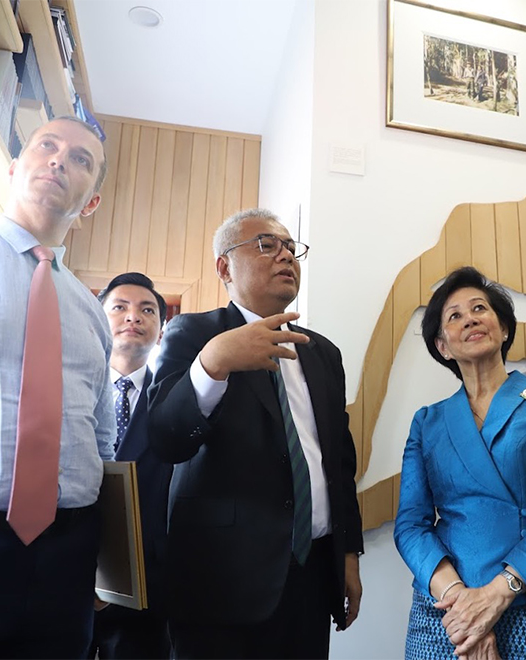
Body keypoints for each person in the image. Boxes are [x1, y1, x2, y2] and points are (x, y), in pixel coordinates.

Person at [0, 117, 114, 658]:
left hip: (68, 560)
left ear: (91, 202)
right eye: (47, 146)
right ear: (14, 167)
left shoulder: (91, 312)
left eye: (81, 159)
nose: (60, 160)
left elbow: (99, 442)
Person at [147, 208, 363, 659]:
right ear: (224, 266)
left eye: (291, 248)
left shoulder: (322, 353)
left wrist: (347, 555)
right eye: (266, 244)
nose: (285, 255)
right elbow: (166, 439)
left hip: (311, 575)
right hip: (221, 585)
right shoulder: (194, 334)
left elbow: (338, 462)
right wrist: (213, 365)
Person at [395, 266, 526, 660]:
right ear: (443, 346)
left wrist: (497, 594)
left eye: (479, 308)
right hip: (447, 614)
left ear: (503, 329)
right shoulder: (427, 421)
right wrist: (462, 603)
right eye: (455, 316)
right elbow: (410, 525)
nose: (470, 318)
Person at [88, 272, 171, 659]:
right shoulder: (69, 386)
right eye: (119, 307)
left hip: (151, 584)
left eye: (147, 310)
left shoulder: (180, 397)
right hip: (69, 568)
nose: (132, 317)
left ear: (162, 326)